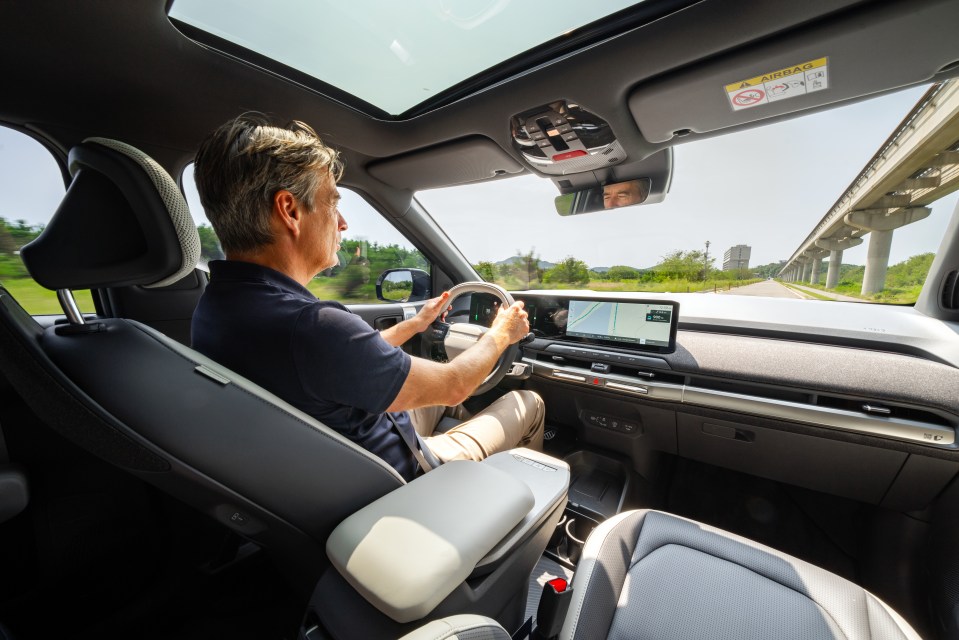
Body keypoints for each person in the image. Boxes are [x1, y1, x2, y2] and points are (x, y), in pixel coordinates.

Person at [191, 113, 544, 481]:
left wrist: (416, 324)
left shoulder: (219, 306)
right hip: (407, 476)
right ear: (290, 210)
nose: (342, 222)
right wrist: (503, 332)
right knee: (527, 402)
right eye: (332, 202)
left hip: (341, 457)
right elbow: (455, 385)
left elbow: (341, 362)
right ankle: (518, 523)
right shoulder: (311, 327)